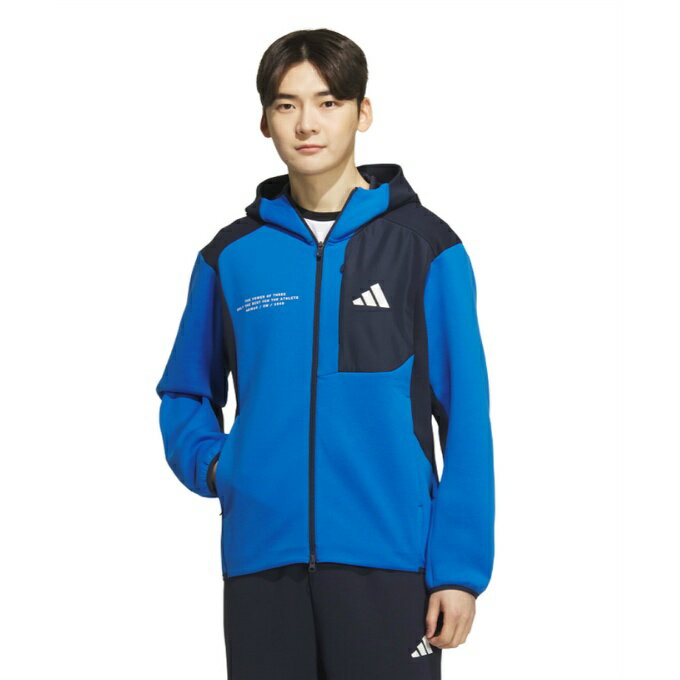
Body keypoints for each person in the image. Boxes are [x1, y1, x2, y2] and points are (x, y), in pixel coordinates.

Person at [155, 28, 495, 679]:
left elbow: (466, 416)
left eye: (328, 102)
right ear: (265, 120)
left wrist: (459, 570)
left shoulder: (426, 247)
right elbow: (185, 391)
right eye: (286, 105)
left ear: (362, 112)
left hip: (392, 564)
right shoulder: (231, 257)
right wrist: (222, 467)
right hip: (262, 565)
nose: (307, 123)